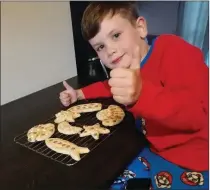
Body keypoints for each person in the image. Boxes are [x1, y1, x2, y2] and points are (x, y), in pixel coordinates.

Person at [60, 2, 209, 189]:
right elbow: (109, 86)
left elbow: (196, 115)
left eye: (116, 35)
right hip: (152, 150)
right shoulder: (127, 68)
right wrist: (80, 93)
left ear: (140, 27)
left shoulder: (173, 50)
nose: (110, 50)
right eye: (100, 47)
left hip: (192, 159)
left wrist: (141, 94)